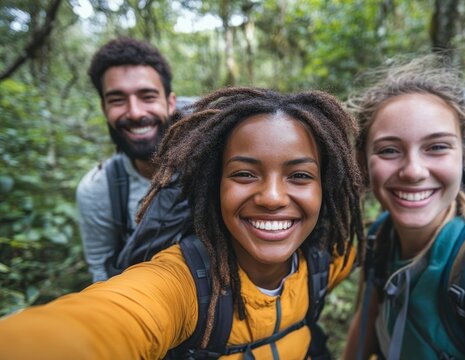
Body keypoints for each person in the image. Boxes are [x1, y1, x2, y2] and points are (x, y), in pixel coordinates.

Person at [0, 87, 363, 359]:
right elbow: (99, 323)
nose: (271, 197)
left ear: (325, 187)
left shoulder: (327, 258)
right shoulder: (184, 283)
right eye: (244, 174)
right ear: (213, 185)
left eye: (299, 176)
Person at [342, 55, 465, 360]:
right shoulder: (381, 234)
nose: (413, 171)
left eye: (436, 147)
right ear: (363, 161)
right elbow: (366, 325)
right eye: (389, 150)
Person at [77, 37, 178, 282]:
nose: (135, 112)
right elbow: (103, 275)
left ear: (171, 102)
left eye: (148, 96)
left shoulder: (219, 157)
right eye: (117, 100)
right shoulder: (99, 189)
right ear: (104, 108)